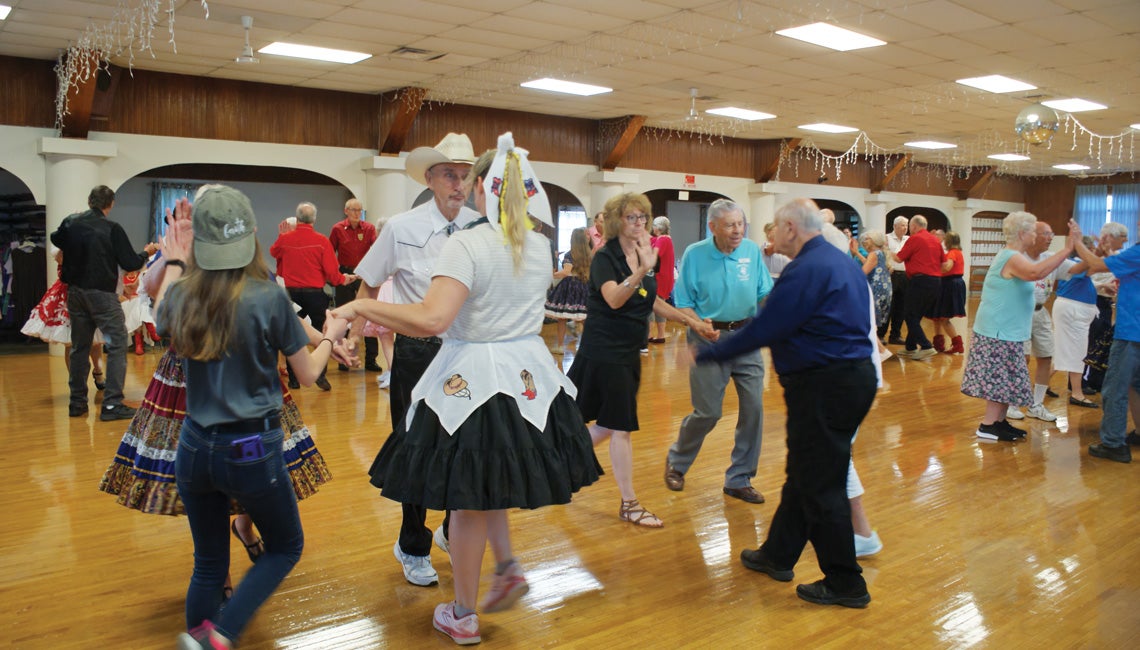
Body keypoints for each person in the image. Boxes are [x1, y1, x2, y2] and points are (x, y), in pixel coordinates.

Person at [333, 134, 600, 645]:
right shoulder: (538, 243)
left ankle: (463, 611)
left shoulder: (468, 242)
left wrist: (363, 307)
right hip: (528, 378)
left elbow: (433, 318)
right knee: (488, 482)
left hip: (472, 379)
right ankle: (506, 568)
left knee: (468, 499)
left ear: (481, 186)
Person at [155, 186, 351, 649]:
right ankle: (219, 635)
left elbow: (162, 312)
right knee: (285, 547)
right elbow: (307, 376)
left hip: (194, 445)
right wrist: (331, 336)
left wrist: (176, 261)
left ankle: (201, 635)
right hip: (249, 449)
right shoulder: (267, 297)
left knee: (208, 562)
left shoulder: (181, 295)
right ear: (252, 236)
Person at [695, 197, 878, 608]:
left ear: (791, 228)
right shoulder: (839, 262)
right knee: (807, 472)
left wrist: (704, 354)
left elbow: (767, 327)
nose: (771, 235)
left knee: (821, 486)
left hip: (824, 385)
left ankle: (846, 582)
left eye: (775, 228)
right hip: (847, 379)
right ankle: (777, 554)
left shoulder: (806, 270)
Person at [351, 132, 479, 588]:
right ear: (430, 178)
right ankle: (412, 544)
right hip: (416, 353)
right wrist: (353, 334)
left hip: (467, 354)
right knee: (415, 448)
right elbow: (367, 282)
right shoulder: (401, 228)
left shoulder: (479, 228)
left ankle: (450, 527)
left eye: (465, 176)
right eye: (449, 174)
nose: (458, 184)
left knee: (463, 446)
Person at [569, 193, 717, 529]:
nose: (639, 224)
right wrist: (641, 271)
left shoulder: (643, 254)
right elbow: (615, 298)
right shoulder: (605, 256)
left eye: (643, 218)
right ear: (616, 221)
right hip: (604, 351)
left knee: (609, 423)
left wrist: (690, 321)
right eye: (631, 218)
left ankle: (564, 456)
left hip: (627, 351)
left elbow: (652, 300)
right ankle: (629, 503)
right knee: (620, 426)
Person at [664, 198, 773, 504]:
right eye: (730, 225)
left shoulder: (751, 251)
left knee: (753, 408)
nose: (737, 231)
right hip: (706, 339)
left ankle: (739, 479)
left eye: (740, 224)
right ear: (712, 227)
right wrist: (698, 324)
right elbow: (682, 301)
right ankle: (677, 461)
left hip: (747, 338)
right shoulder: (695, 254)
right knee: (709, 412)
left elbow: (765, 293)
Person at [960, 212, 1075, 442]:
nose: (1036, 234)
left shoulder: (1015, 255)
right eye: (1033, 230)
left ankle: (1000, 422)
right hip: (997, 330)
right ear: (1022, 233)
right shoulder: (1011, 257)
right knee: (998, 379)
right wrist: (1067, 249)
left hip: (1007, 331)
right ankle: (987, 425)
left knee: (1007, 379)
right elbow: (1036, 272)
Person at [51, 184, 157, 420]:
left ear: (90, 201)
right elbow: (130, 262)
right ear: (111, 204)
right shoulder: (112, 229)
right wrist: (147, 253)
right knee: (118, 343)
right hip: (102, 294)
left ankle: (77, 403)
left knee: (80, 347)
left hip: (75, 293)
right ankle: (111, 405)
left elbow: (55, 238)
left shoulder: (71, 222)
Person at [270, 201, 356, 391]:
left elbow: (273, 252)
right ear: (314, 219)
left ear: (297, 217)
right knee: (323, 334)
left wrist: (281, 236)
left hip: (291, 295)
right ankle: (320, 375)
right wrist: (344, 279)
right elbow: (333, 274)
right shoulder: (322, 241)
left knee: (292, 334)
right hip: (315, 295)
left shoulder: (285, 239)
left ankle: (293, 379)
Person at [1074, 224, 1140, 463]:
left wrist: (1077, 241)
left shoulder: (1137, 252)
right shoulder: (1133, 256)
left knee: (1114, 389)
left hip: (1132, 332)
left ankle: (1113, 443)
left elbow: (1095, 265)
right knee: (1136, 385)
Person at [20, 246, 106, 388]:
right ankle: (76, 382)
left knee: (95, 340)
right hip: (68, 295)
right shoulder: (64, 243)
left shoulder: (91, 243)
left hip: (89, 293)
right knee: (70, 341)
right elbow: (60, 260)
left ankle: (99, 373)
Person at [1007, 222, 1061, 422]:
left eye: (1051, 233)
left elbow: (1079, 268)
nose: (1050, 237)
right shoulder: (1018, 258)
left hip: (1040, 313)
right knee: (1022, 358)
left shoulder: (1050, 258)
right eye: (1046, 233)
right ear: (1032, 235)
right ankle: (1012, 403)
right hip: (1020, 312)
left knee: (1046, 357)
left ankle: (1036, 405)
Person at [329, 197, 380, 372]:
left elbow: (377, 250)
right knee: (343, 316)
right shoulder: (337, 229)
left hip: (364, 275)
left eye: (359, 210)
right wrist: (337, 274)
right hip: (345, 274)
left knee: (369, 315)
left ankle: (371, 360)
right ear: (346, 211)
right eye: (353, 210)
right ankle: (343, 357)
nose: (357, 214)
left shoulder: (369, 228)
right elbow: (329, 253)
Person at [894, 215, 944, 360]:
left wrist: (885, 251)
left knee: (909, 315)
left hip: (920, 281)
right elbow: (944, 263)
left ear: (914, 226)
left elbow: (898, 258)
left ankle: (926, 346)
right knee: (916, 315)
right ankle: (910, 347)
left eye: (909, 226)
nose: (909, 229)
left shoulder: (915, 238)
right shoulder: (935, 240)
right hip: (936, 282)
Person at [544, 227, 591, 355]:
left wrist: (551, 274)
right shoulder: (589, 254)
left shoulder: (570, 254)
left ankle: (560, 346)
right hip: (584, 286)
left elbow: (566, 272)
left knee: (562, 318)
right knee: (583, 317)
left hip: (569, 287)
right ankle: (588, 346)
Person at [850, 229, 892, 361]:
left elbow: (862, 272)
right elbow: (869, 263)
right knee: (870, 321)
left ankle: (881, 351)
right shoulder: (881, 253)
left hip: (875, 289)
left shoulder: (874, 254)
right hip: (884, 289)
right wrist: (856, 253)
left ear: (873, 241)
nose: (864, 241)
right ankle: (877, 350)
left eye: (867, 239)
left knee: (868, 320)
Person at [931, 231, 966, 355]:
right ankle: (938, 344)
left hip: (950, 284)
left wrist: (934, 268)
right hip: (950, 283)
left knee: (944, 317)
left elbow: (947, 267)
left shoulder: (952, 253)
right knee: (938, 316)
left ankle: (957, 344)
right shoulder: (959, 252)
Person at [648, 216, 676, 344]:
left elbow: (655, 254)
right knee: (659, 307)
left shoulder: (663, 240)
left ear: (658, 227)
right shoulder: (663, 239)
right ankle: (660, 336)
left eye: (653, 225)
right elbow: (651, 240)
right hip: (664, 278)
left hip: (660, 278)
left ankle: (649, 335)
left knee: (651, 306)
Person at [884, 215, 909, 344]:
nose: (905, 228)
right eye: (903, 225)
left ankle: (895, 335)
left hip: (905, 275)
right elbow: (884, 255)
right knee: (889, 306)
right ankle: (881, 335)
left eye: (906, 225)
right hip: (890, 275)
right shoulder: (887, 238)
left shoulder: (909, 239)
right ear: (895, 226)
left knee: (901, 307)